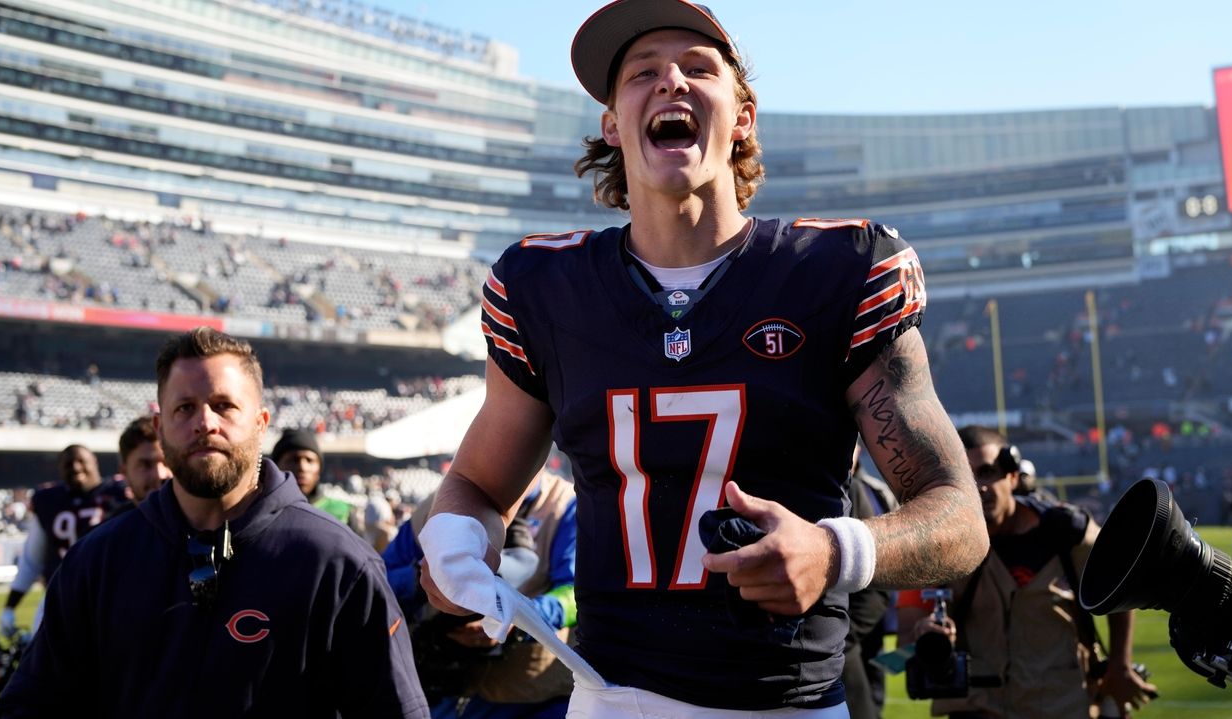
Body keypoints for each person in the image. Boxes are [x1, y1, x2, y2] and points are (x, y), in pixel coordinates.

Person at [416, 1, 989, 716]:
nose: (670, 83)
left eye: (697, 67)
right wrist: (456, 540)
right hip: (609, 696)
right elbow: (476, 481)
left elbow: (961, 517)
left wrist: (835, 552)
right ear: (611, 123)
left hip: (787, 704)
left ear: (743, 116)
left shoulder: (837, 271)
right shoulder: (545, 290)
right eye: (642, 73)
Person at [0, 327, 428, 718]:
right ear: (160, 426)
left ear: (261, 423)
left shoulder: (336, 562)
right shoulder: (99, 560)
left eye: (223, 406)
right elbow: (31, 705)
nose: (205, 423)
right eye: (185, 408)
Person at [897, 425, 1157, 718]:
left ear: (1012, 475)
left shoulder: (1066, 532)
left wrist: (1119, 665)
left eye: (987, 472)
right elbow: (905, 640)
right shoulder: (940, 547)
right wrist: (926, 635)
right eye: (965, 479)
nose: (979, 488)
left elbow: (1119, 585)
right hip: (981, 707)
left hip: (1063, 704)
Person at [387, 468, 578, 718]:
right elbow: (382, 577)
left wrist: (517, 619)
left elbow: (577, 594)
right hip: (443, 684)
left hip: (529, 699)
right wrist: (423, 577)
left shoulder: (565, 505)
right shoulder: (437, 504)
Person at [0, 444, 127, 639]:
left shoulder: (121, 495)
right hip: (60, 598)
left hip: (111, 597)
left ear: (95, 462)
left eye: (81, 461)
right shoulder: (49, 501)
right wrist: (10, 606)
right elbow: (31, 560)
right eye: (68, 464)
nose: (75, 467)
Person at [841, 445, 899, 719]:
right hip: (846, 624)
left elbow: (882, 567)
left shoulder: (870, 490)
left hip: (862, 617)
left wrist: (845, 632)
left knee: (872, 692)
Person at [271, 427, 354, 525]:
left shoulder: (342, 512)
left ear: (319, 468)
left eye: (309, 460)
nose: (302, 467)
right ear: (276, 467)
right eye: (294, 460)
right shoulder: (263, 512)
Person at [117, 415, 173, 503]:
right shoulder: (115, 516)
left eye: (169, 463)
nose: (160, 475)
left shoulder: (201, 515)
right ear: (124, 472)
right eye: (145, 465)